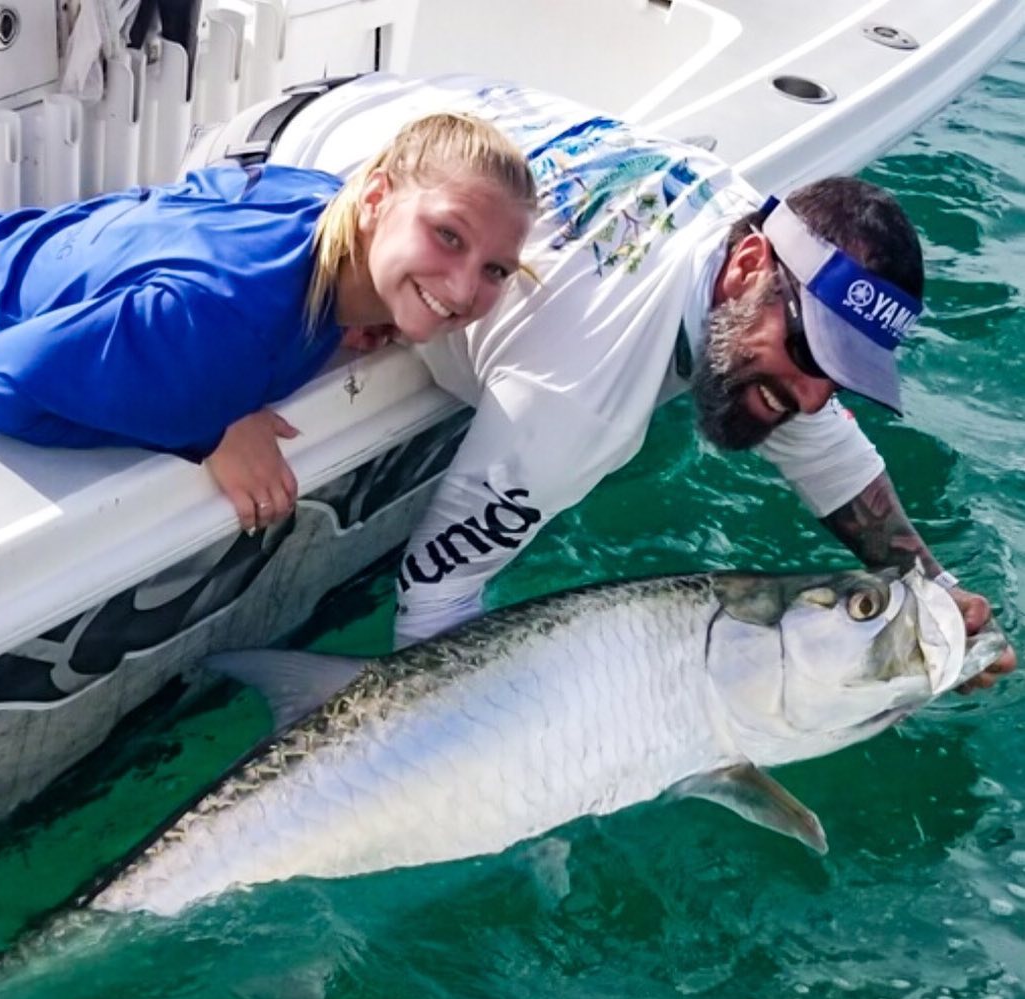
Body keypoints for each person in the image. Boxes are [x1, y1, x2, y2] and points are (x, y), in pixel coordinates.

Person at [234, 71, 1013, 690]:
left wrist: (930, 592)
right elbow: (435, 590)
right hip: (271, 167)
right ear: (747, 267)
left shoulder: (751, 244)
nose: (812, 397)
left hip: (374, 92)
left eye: (843, 377)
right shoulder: (579, 395)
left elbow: (823, 447)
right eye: (813, 357)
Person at [0, 111, 537, 533]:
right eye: (447, 235)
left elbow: (205, 190)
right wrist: (205, 433)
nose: (463, 287)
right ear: (376, 198)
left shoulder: (320, 201)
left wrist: (374, 311)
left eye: (495, 270)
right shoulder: (223, 321)